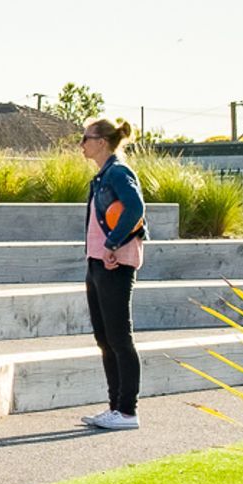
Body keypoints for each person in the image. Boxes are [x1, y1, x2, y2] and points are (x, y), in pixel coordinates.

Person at [81, 117, 147, 430]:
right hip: (97, 262)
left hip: (114, 263)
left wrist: (112, 243)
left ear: (102, 142)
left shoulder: (119, 172)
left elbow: (135, 209)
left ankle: (127, 411)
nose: (81, 144)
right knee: (104, 337)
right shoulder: (103, 175)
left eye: (86, 138)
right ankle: (114, 408)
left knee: (119, 337)